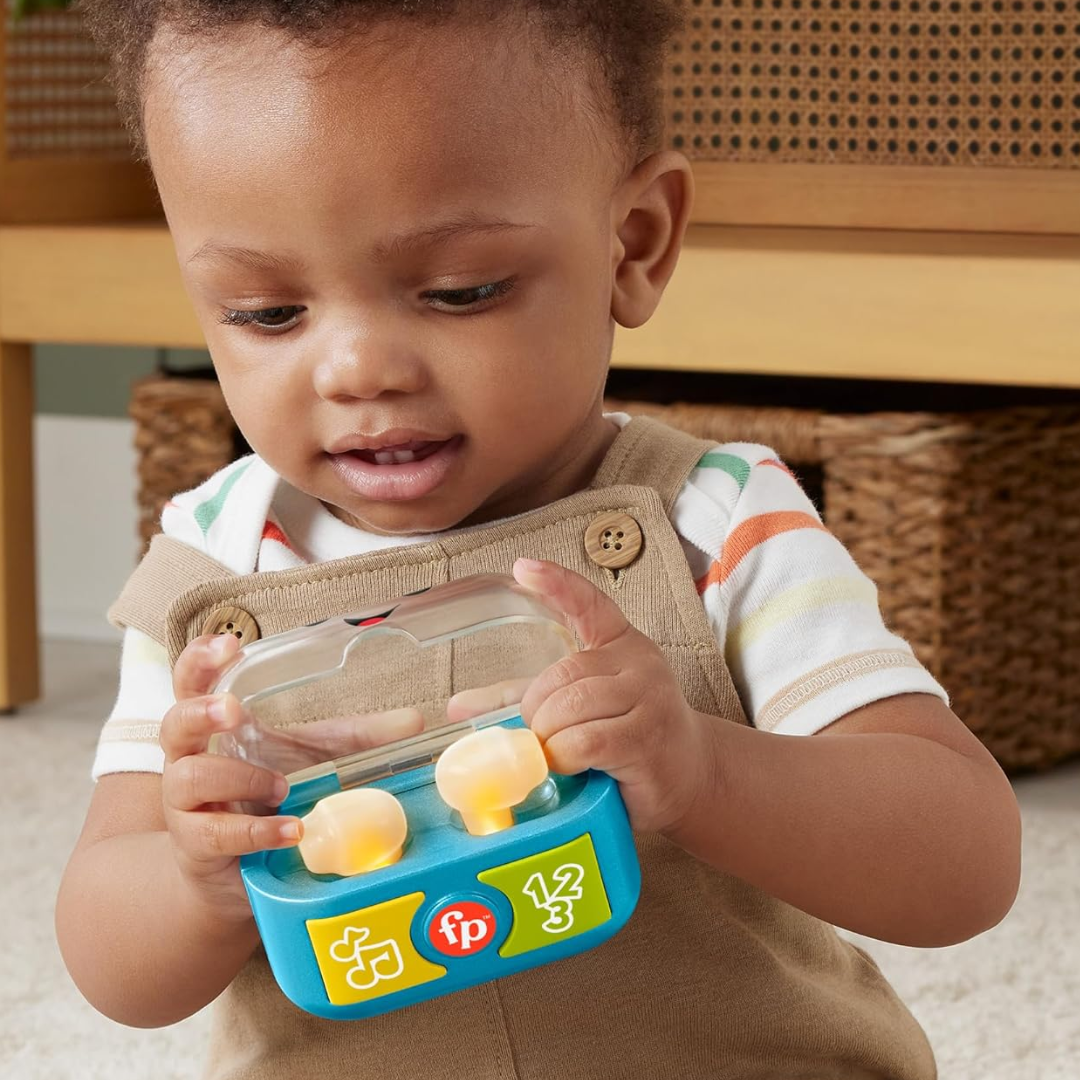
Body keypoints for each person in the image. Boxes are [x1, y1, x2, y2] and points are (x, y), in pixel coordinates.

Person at [57, 2, 1021, 1077]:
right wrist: (192, 877)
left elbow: (965, 865)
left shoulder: (713, 522)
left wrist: (707, 772)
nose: (358, 370)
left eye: (460, 291)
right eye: (264, 312)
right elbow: (111, 965)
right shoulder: (216, 570)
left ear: (633, 245)